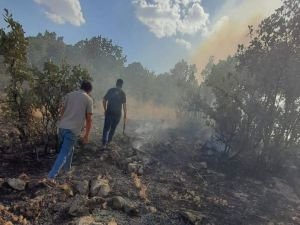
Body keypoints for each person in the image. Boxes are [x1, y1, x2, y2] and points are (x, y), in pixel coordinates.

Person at [47, 80, 93, 180]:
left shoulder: (70, 95)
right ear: (89, 90)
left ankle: (67, 170)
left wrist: (61, 122)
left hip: (62, 127)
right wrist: (86, 135)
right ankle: (51, 177)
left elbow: (62, 111)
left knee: (68, 149)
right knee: (64, 153)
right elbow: (89, 119)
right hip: (72, 130)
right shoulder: (88, 99)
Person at [102, 79, 127, 148]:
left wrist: (105, 109)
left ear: (116, 83)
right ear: (122, 85)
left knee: (106, 128)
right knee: (113, 128)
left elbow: (104, 100)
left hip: (109, 112)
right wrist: (125, 115)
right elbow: (124, 106)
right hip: (117, 114)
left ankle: (104, 144)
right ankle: (109, 142)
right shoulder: (123, 93)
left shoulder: (111, 90)